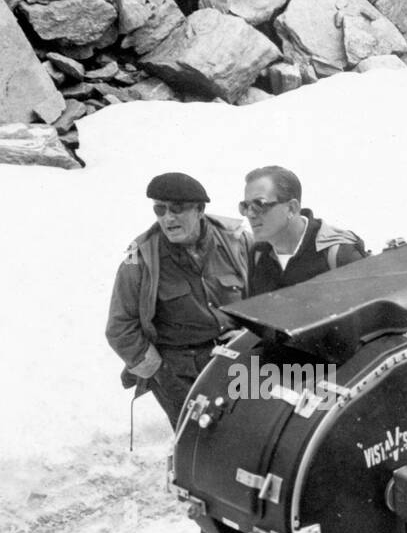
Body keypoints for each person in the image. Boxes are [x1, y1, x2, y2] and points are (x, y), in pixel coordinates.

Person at [106, 172, 251, 429]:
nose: (168, 218)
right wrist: (162, 375)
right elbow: (120, 329)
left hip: (236, 356)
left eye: (177, 209)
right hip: (178, 370)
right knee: (198, 440)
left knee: (246, 433)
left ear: (200, 209)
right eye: (160, 210)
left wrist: (249, 335)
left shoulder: (236, 241)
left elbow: (262, 296)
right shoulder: (139, 258)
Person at [242, 165, 367, 296]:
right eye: (245, 206)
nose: (250, 214)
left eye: (259, 205)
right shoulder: (258, 254)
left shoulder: (338, 252)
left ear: (291, 208)